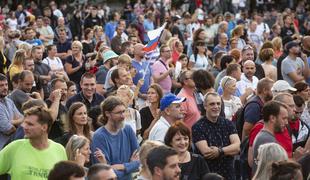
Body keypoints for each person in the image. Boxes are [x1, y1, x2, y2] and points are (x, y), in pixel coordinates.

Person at [0, 106, 67, 179]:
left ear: (44, 127)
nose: (25, 127)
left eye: (30, 124)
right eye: (25, 123)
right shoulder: (15, 147)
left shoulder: (59, 150)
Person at [192, 92, 240, 180]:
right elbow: (206, 152)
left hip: (229, 174)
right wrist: (229, 150)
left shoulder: (228, 124)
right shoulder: (197, 127)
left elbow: (237, 147)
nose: (216, 107)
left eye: (218, 104)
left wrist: (219, 151)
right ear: (205, 106)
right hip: (209, 175)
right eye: (212, 104)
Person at [91, 96, 140, 180]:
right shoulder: (99, 136)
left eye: (124, 111)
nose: (123, 116)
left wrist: (121, 166)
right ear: (107, 114)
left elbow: (139, 161)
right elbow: (104, 173)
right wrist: (129, 166)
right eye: (118, 113)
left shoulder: (127, 129)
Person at [251, 101, 289, 173]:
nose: (286, 122)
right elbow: (279, 171)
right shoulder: (267, 140)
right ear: (272, 118)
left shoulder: (264, 137)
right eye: (284, 118)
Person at [0, 73, 23, 150]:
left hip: (10, 147)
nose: (5, 88)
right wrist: (17, 123)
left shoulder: (9, 101)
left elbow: (22, 119)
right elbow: (9, 130)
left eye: (6, 85)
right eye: (1, 85)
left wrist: (11, 122)